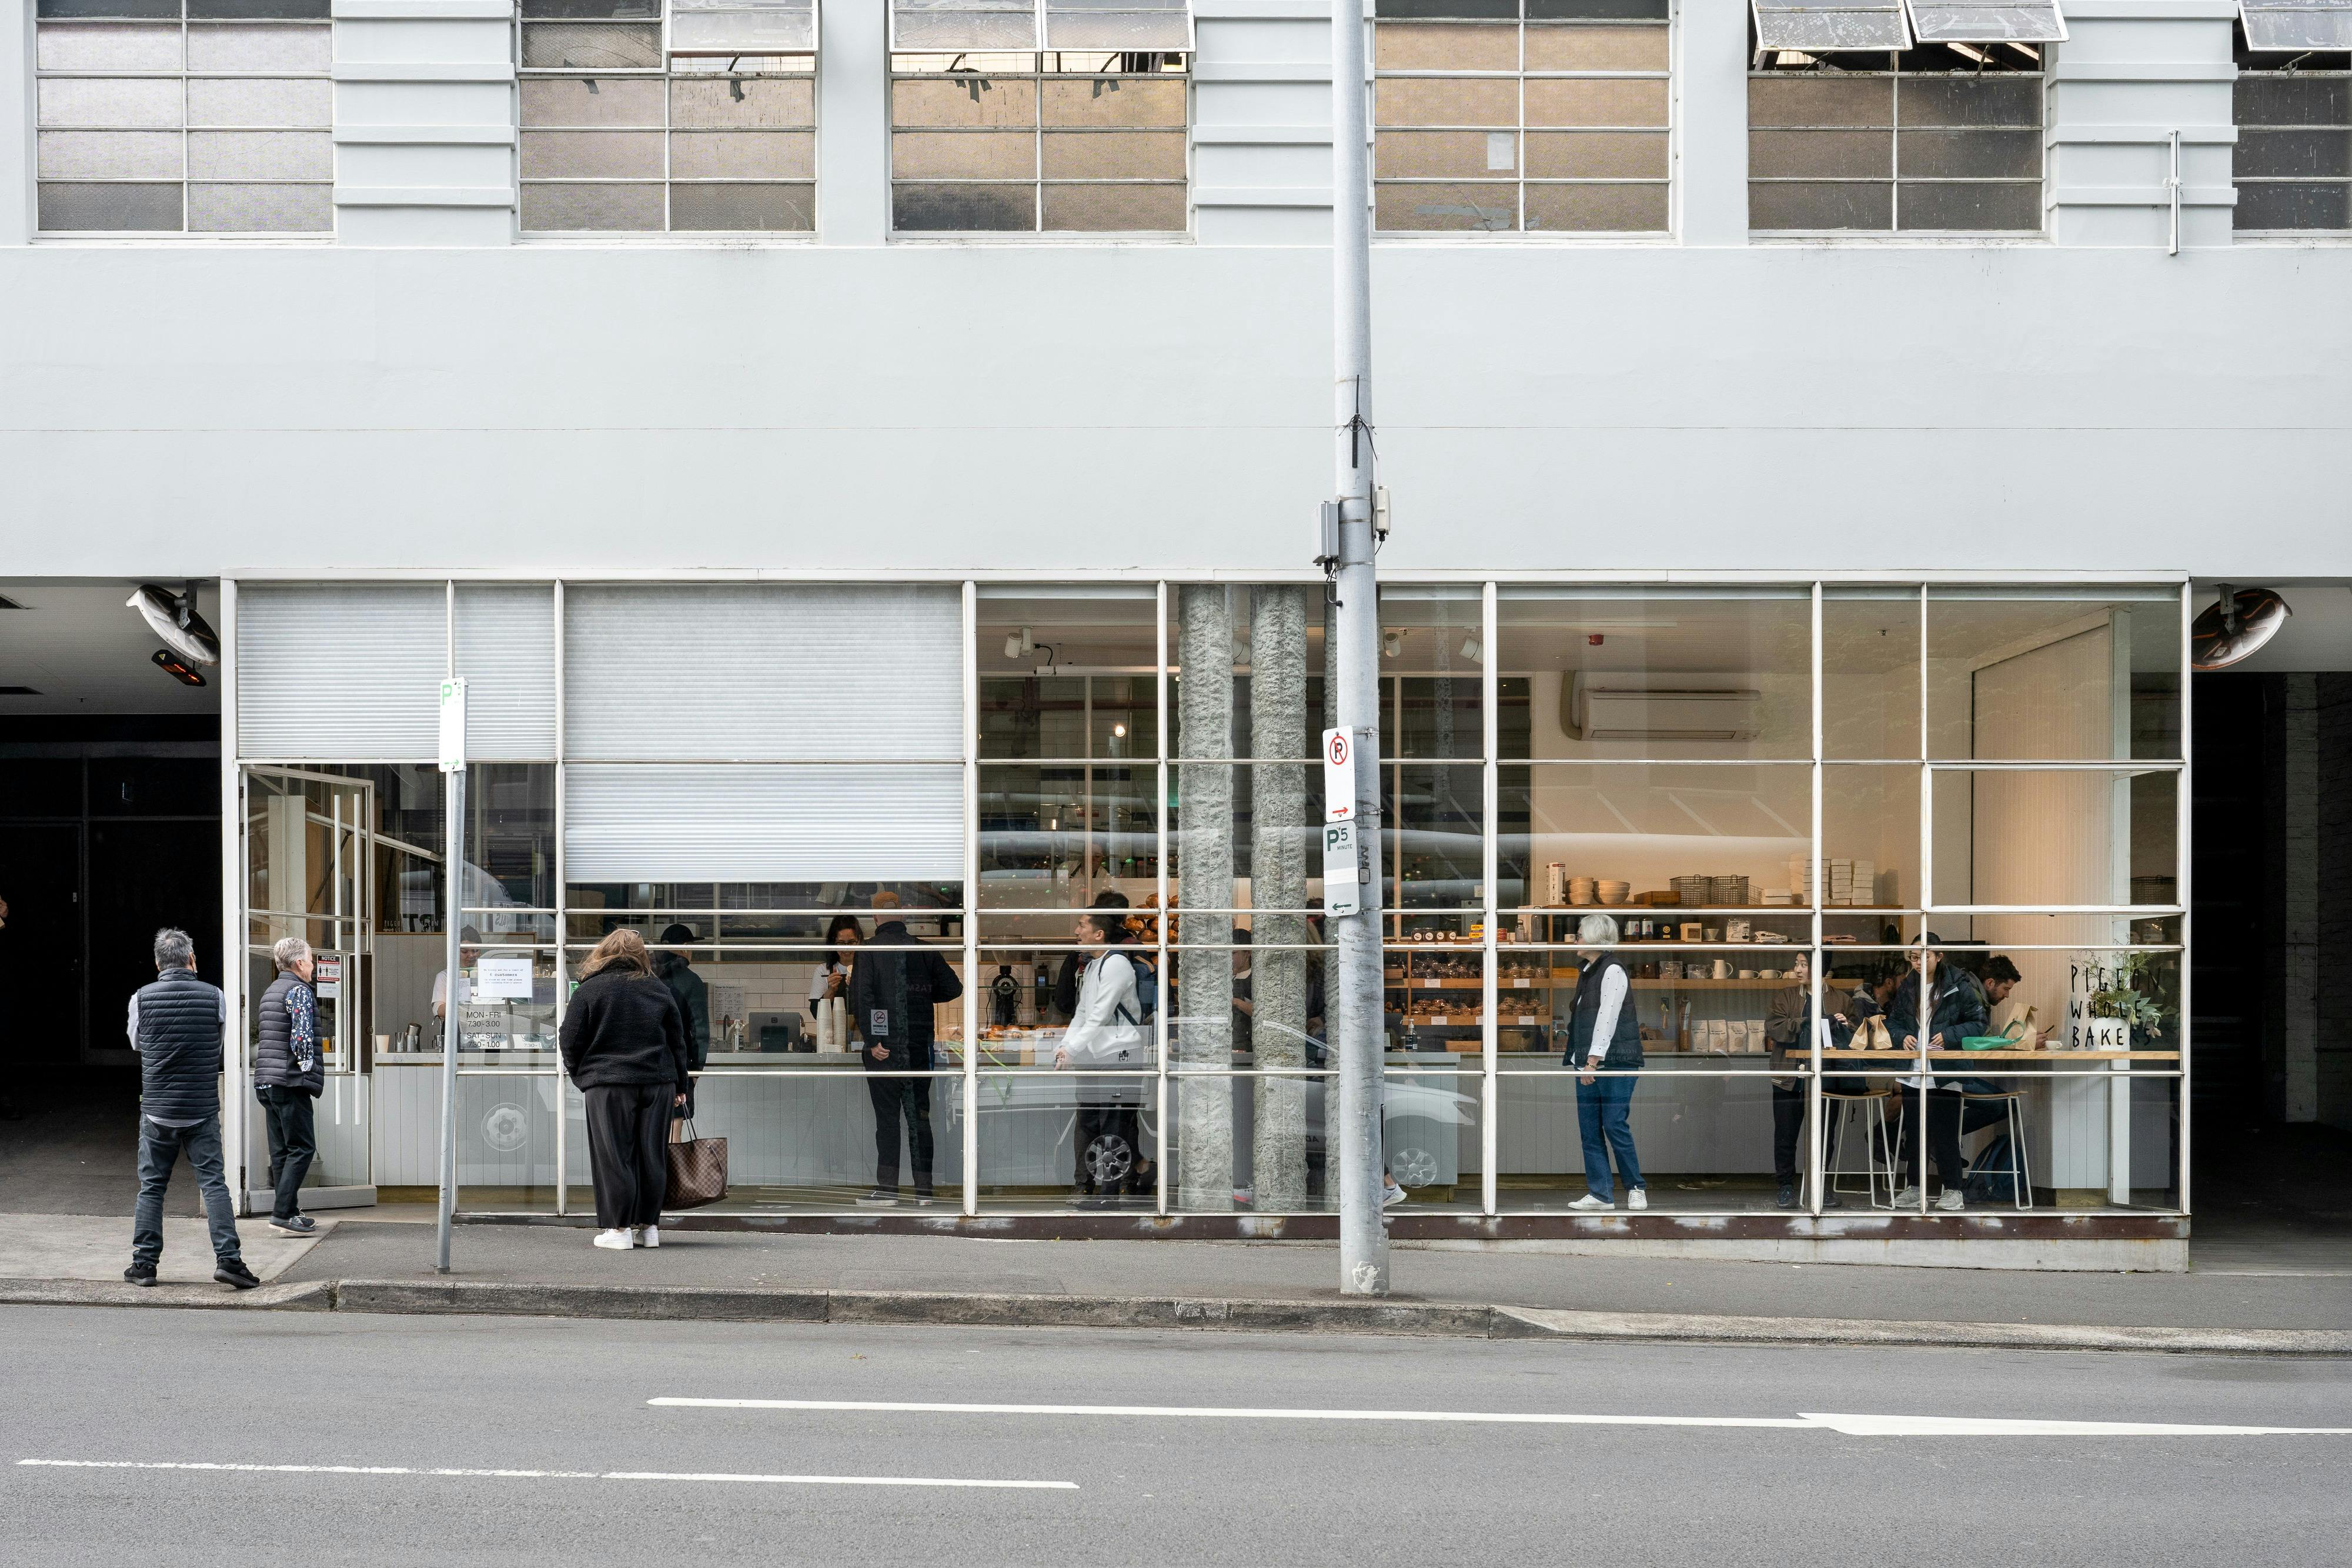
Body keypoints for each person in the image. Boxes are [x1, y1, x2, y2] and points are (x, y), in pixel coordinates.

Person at [124, 928, 256, 1289]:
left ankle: (145, 1265)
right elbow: (219, 1043)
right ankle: (229, 1260)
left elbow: (137, 1043)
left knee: (151, 1188)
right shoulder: (215, 996)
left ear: (157, 963)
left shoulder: (141, 998)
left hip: (156, 1109)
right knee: (214, 1184)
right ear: (192, 960)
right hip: (200, 1107)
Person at [559, 929, 691, 1251]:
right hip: (657, 1082)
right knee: (652, 1155)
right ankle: (649, 1229)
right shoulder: (658, 988)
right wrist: (680, 1084)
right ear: (641, 954)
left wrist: (582, 1076)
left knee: (614, 1156)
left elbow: (569, 1038)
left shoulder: (591, 990)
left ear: (604, 952)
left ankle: (618, 1230)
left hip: (609, 1084)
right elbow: (678, 1041)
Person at [848, 892, 964, 1206]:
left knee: (887, 1121)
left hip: (883, 1052)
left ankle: (887, 1190)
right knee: (919, 1119)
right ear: (904, 918)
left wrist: (875, 1041)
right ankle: (924, 1192)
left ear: (874, 919)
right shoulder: (925, 951)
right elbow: (954, 987)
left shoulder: (868, 952)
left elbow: (863, 1000)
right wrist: (924, 995)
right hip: (918, 1048)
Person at [1054, 893, 1150, 1209]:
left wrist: (1072, 1048)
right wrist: (1067, 1047)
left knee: (1113, 1125)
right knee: (1090, 1121)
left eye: (1082, 925)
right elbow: (1082, 1013)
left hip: (1119, 1055)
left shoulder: (1117, 964)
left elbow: (1100, 1014)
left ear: (1099, 934)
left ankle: (1109, 1195)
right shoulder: (1095, 965)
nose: (1077, 931)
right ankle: (1092, 1188)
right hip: (1096, 1055)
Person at [1886, 934, 1992, 1211]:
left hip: (1945, 1070)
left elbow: (1979, 1023)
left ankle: (1953, 1189)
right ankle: (1915, 1187)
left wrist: (1950, 1035)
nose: (1919, 962)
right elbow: (1894, 1021)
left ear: (1939, 956)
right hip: (1914, 1069)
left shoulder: (1959, 984)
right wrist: (1902, 1037)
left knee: (1945, 1133)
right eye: (1914, 957)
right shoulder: (1908, 986)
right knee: (1915, 1132)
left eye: (1925, 956)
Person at [1563, 914, 1645, 1212]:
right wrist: (1582, 1060)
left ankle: (1636, 1187)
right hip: (1587, 1062)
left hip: (1613, 1062)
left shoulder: (1612, 970)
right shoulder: (1588, 970)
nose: (1576, 940)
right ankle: (1601, 1194)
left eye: (1580, 935)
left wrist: (1593, 1061)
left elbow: (1607, 1017)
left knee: (1614, 1125)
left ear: (1596, 938)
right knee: (1590, 1130)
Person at [1764, 952, 1859, 1210]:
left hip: (1827, 1077)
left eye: (1804, 964)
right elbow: (1774, 1027)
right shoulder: (1786, 995)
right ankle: (1785, 1187)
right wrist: (1807, 1023)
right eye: (1796, 964)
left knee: (1825, 1134)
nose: (1797, 969)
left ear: (1821, 967)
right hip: (1790, 1076)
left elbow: (1857, 1038)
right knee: (1785, 1135)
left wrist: (1845, 1025)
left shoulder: (1841, 999)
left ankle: (1821, 1184)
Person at [253, 935, 325, 1236]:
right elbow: (302, 1039)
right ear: (299, 963)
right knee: (303, 1148)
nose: (313, 965)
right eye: (310, 959)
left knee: (282, 1150)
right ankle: (282, 1213)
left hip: (267, 1080)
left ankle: (289, 1212)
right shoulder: (299, 990)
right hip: (289, 1080)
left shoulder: (272, 990)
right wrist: (307, 1072)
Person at [652, 923, 710, 1115]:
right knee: (674, 1132)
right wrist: (696, 1071)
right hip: (678, 1068)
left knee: (650, 1133)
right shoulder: (690, 981)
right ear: (685, 947)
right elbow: (700, 1031)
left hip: (644, 1068)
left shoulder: (645, 976)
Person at [807, 913, 864, 1038]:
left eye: (851, 942)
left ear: (859, 940)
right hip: (832, 1037)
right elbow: (816, 1013)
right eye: (841, 943)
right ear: (833, 943)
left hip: (862, 1036)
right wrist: (831, 990)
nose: (846, 948)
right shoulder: (824, 971)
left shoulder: (868, 969)